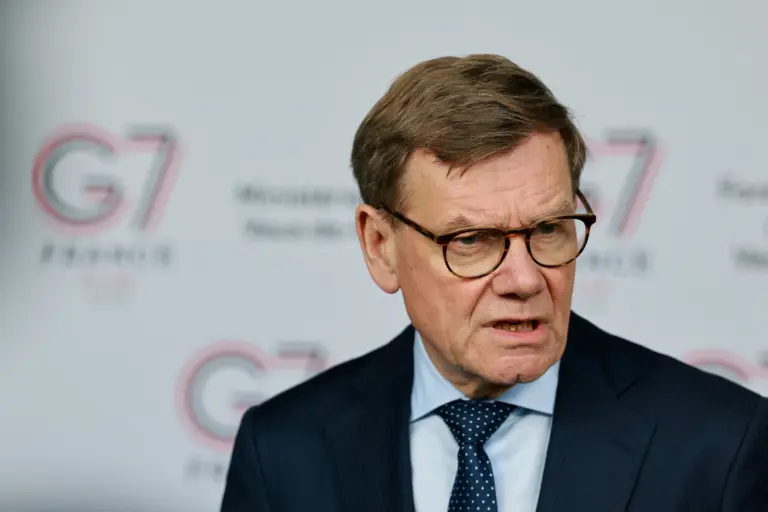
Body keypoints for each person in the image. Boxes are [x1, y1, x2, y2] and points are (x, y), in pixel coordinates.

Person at [220, 54, 768, 512]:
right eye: (472, 240)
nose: (525, 280)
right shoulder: (285, 451)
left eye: (548, 229)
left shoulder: (718, 444)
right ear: (380, 245)